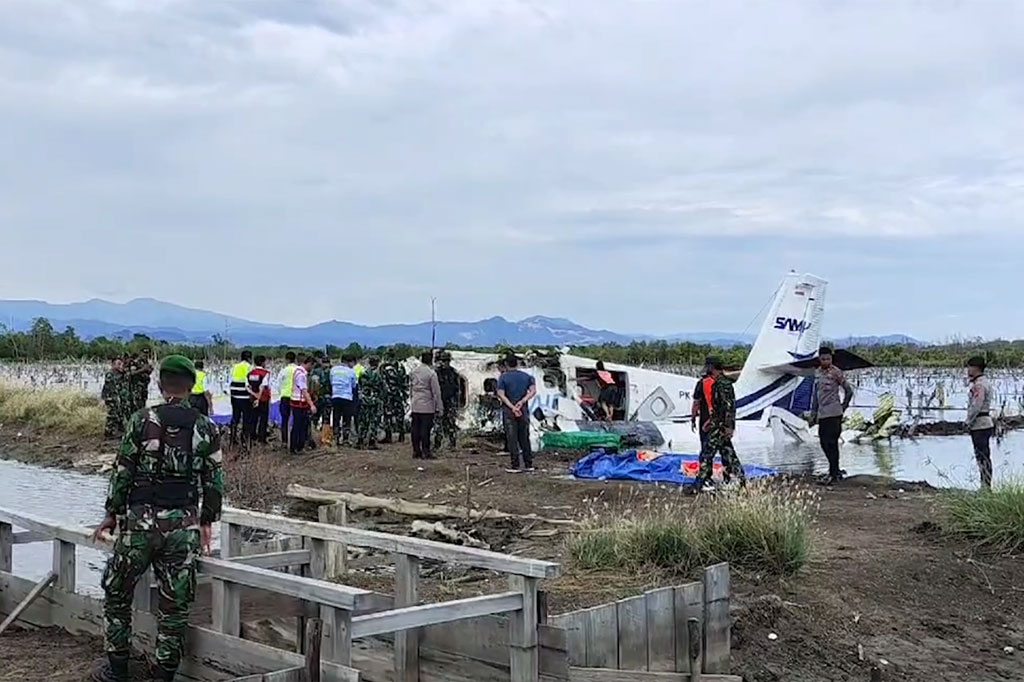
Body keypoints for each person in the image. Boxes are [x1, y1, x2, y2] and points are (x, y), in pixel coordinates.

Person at [89, 355, 224, 682]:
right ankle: (164, 675)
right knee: (175, 608)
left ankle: (117, 670)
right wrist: (206, 522)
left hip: (139, 526)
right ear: (191, 386)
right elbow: (214, 483)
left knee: (118, 595)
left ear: (160, 384)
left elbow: (123, 472)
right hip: (182, 530)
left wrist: (111, 514)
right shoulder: (206, 428)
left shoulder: (140, 420)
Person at [692, 358, 745, 492]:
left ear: (712, 367)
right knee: (728, 453)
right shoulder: (718, 383)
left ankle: (699, 484)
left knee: (707, 454)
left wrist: (728, 426)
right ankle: (739, 479)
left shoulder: (722, 385)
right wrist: (710, 421)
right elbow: (718, 408)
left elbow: (729, 407)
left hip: (720, 427)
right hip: (717, 424)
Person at [810, 346, 854, 485]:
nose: (825, 361)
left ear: (831, 359)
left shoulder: (836, 372)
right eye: (823, 359)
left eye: (828, 359)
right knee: (824, 443)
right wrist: (813, 413)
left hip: (835, 412)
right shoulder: (817, 373)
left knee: (832, 443)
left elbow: (849, 390)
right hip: (823, 414)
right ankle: (834, 470)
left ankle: (834, 472)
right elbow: (816, 396)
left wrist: (844, 406)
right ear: (819, 359)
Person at [497, 355, 537, 473]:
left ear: (506, 364)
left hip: (509, 412)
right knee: (524, 437)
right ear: (517, 364)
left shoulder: (503, 378)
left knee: (512, 438)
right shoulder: (527, 377)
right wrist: (522, 402)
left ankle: (515, 465)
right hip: (523, 411)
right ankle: (528, 464)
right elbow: (533, 391)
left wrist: (512, 407)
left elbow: (501, 394)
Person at [966, 356, 995, 489]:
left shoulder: (979, 385)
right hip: (984, 423)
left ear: (975, 368)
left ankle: (985, 486)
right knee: (984, 456)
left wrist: (968, 421)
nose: (968, 370)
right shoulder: (984, 382)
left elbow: (976, 406)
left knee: (982, 457)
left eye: (969, 367)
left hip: (980, 424)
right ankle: (985, 485)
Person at [409, 351, 443, 459]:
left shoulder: (414, 372)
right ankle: (426, 451)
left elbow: (410, 388)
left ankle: (416, 451)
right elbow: (436, 392)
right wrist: (439, 407)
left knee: (415, 429)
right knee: (425, 430)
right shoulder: (431, 373)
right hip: (427, 406)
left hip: (415, 404)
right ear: (431, 360)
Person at [433, 350, 462, 450]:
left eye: (447, 361)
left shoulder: (453, 373)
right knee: (438, 423)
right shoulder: (437, 372)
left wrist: (456, 403)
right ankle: (438, 443)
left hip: (450, 401)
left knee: (450, 423)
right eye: (444, 361)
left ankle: (452, 442)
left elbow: (458, 389)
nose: (445, 363)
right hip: (440, 401)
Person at [289, 355, 317, 453]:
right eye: (311, 365)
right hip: (299, 403)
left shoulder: (297, 371)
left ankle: (295, 446)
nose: (311, 367)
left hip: (295, 401)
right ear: (308, 363)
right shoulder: (301, 375)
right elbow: (304, 391)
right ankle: (297, 447)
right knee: (299, 426)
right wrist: (311, 405)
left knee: (298, 425)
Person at [329, 354, 359, 446]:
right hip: (347, 397)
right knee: (347, 418)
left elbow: (331, 382)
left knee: (336, 417)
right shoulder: (351, 371)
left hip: (335, 396)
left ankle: (336, 438)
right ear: (349, 362)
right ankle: (345, 440)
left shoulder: (333, 370)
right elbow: (354, 385)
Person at [356, 357, 384, 449]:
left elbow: (359, 385)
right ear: (377, 363)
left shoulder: (363, 373)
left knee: (363, 421)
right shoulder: (378, 375)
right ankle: (371, 442)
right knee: (374, 421)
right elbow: (383, 388)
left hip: (364, 400)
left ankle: (360, 441)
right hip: (375, 400)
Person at [380, 356, 409, 444]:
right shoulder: (400, 367)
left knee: (388, 414)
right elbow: (405, 381)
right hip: (398, 394)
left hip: (388, 395)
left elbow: (382, 381)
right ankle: (401, 435)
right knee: (400, 414)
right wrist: (404, 394)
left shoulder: (384, 367)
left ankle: (389, 435)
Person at [228, 350, 253, 447]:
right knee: (246, 418)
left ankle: (232, 439)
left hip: (234, 396)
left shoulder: (235, 367)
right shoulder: (249, 368)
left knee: (235, 417)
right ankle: (245, 440)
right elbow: (250, 383)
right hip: (245, 397)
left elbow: (229, 381)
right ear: (249, 358)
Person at [246, 355, 272, 445]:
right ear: (263, 362)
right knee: (263, 419)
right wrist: (258, 397)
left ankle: (252, 436)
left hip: (252, 399)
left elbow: (247, 386)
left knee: (254, 418)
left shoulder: (250, 373)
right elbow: (263, 386)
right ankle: (262, 438)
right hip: (263, 399)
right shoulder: (265, 373)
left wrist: (253, 395)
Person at [690, 358, 714, 455]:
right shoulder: (722, 383)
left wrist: (693, 419)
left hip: (706, 418)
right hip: (721, 420)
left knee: (706, 446)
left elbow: (696, 403)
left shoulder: (702, 383)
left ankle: (706, 466)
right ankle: (727, 467)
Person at [101, 356, 127, 439]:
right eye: (118, 364)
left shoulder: (120, 374)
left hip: (117, 398)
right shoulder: (110, 374)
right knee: (112, 415)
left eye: (121, 364)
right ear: (113, 365)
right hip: (111, 398)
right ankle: (108, 432)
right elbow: (112, 384)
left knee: (119, 414)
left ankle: (119, 430)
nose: (121, 366)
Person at [277, 351, 298, 446]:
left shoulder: (283, 370)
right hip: (296, 398)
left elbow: (278, 384)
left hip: (285, 396)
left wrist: (281, 392)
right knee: (296, 420)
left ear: (286, 360)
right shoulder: (298, 370)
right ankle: (295, 441)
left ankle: (284, 441)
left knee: (284, 420)